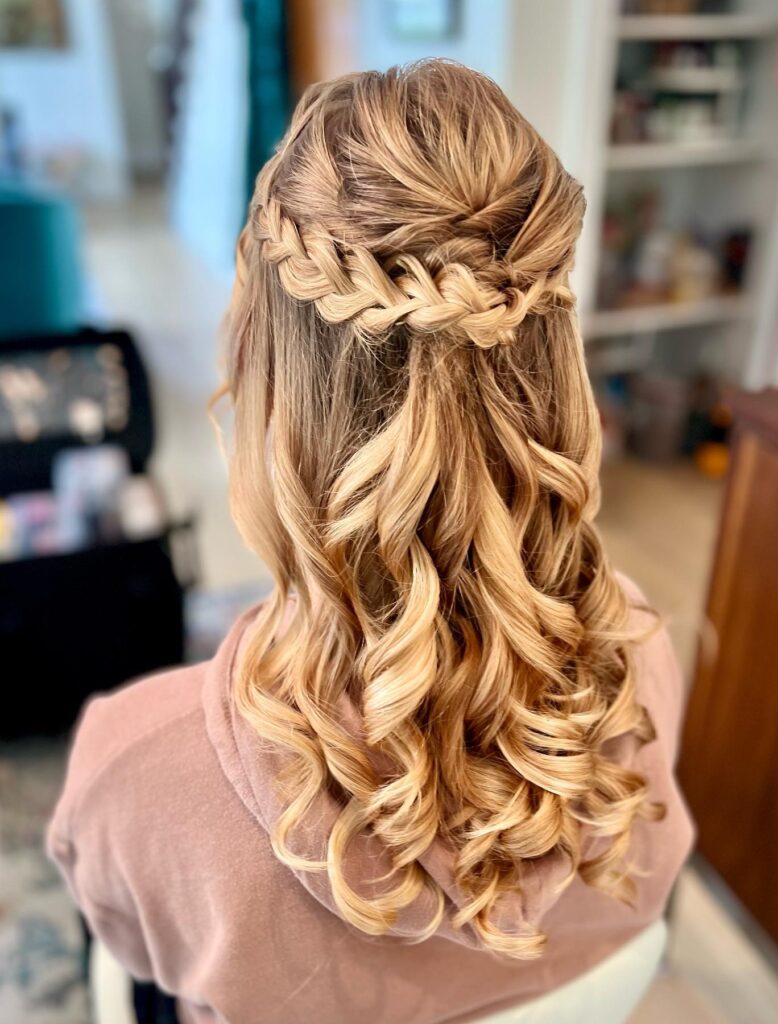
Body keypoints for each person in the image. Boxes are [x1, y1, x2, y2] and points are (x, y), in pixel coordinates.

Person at [48, 60, 693, 1024]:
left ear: (261, 366)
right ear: (557, 363)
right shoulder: (641, 656)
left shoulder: (138, 767)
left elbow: (132, 950)